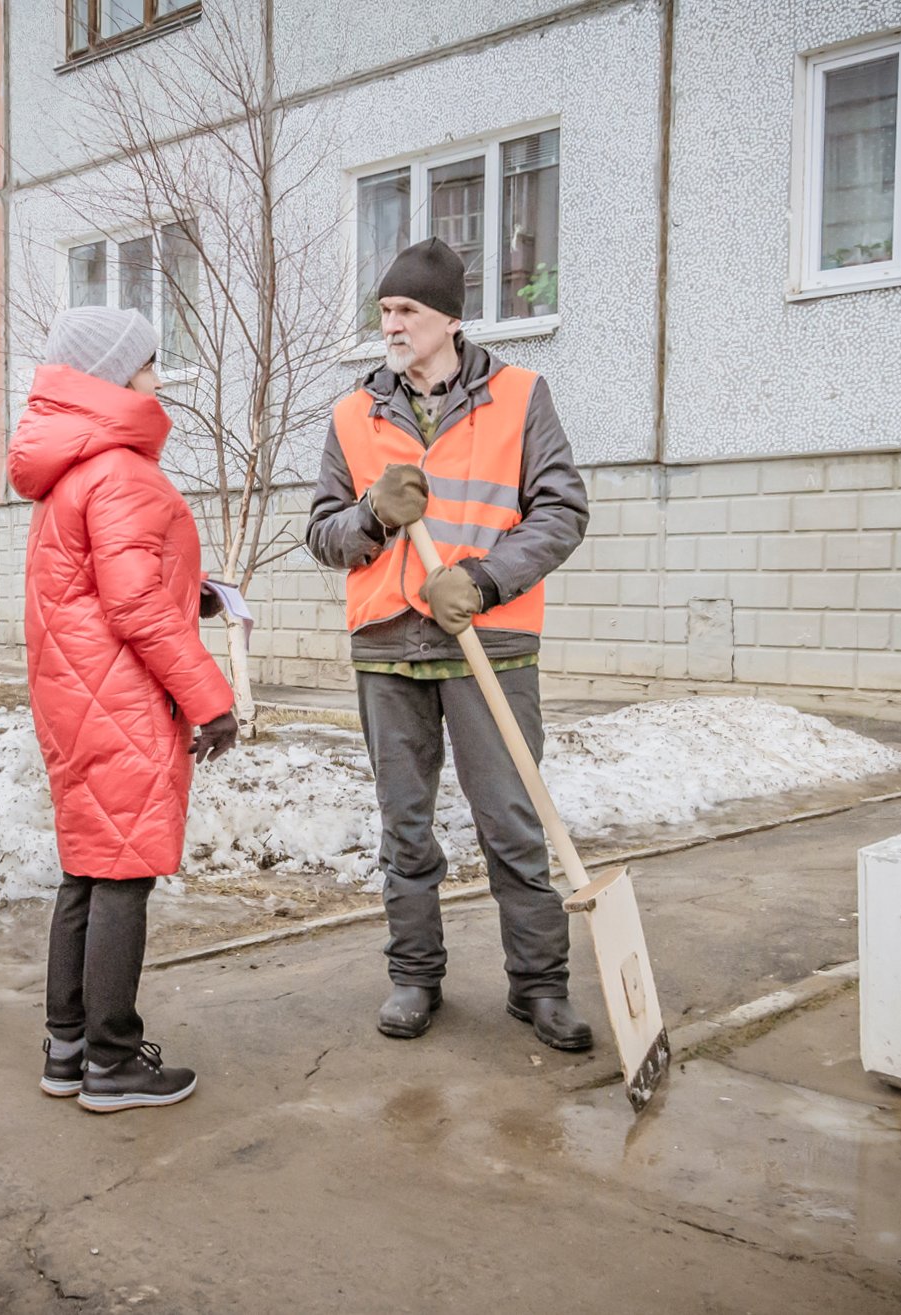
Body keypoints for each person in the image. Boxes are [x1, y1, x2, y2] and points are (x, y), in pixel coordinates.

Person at [303, 237, 594, 1051]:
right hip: (388, 647)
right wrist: (367, 517)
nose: (390, 325)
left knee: (512, 818)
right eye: (385, 311)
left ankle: (538, 986)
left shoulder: (521, 396)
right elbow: (321, 534)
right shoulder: (352, 414)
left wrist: (485, 578)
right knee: (404, 825)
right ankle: (414, 976)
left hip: (487, 643)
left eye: (406, 311)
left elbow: (561, 510)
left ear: (450, 320)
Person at [7, 305, 239, 1114]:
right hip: (123, 697)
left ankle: (68, 1049)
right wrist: (210, 697)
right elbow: (136, 607)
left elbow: (105, 585)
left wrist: (194, 593)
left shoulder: (76, 468)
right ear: (111, 377)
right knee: (124, 875)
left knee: (87, 869)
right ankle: (111, 1061)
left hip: (80, 692)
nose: (158, 377)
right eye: (145, 364)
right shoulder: (120, 471)